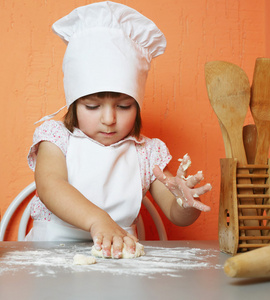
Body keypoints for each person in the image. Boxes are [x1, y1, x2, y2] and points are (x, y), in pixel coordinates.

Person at [26, 1, 212, 258]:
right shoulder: (57, 139)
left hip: (120, 260)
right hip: (48, 255)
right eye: (92, 106)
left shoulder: (148, 153)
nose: (109, 118)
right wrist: (98, 220)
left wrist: (186, 204)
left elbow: (174, 213)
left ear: (137, 106)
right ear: (73, 105)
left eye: (124, 106)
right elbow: (49, 185)